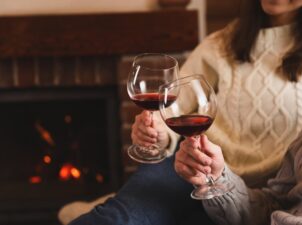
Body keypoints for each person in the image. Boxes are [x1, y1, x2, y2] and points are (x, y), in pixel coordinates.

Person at [69, 0, 302, 224]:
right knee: (118, 218)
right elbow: (175, 104)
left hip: (259, 194)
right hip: (191, 166)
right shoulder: (221, 44)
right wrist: (160, 131)